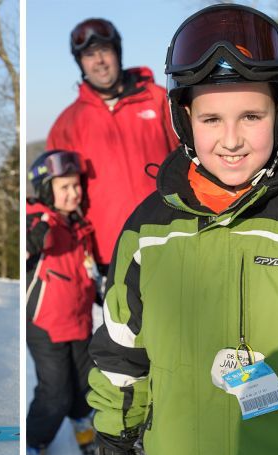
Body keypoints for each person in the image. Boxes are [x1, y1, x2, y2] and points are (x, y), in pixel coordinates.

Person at [88, 4, 278, 455]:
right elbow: (121, 355)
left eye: (251, 115)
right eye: (212, 118)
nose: (231, 139)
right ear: (185, 118)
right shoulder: (148, 231)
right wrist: (114, 451)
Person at [47, 17, 179, 271]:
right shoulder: (67, 124)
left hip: (170, 237)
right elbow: (57, 196)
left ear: (117, 52)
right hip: (111, 251)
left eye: (104, 51)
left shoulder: (158, 100)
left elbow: (192, 157)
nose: (99, 61)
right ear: (80, 63)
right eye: (89, 55)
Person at [24, 150, 99, 455]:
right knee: (55, 393)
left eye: (76, 185)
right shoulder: (39, 220)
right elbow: (29, 239)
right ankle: (34, 442)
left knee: (84, 382)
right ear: (45, 190)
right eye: (64, 187)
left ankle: (83, 422)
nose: (74, 193)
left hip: (80, 321)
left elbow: (86, 268)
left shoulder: (79, 223)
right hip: (46, 326)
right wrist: (33, 234)